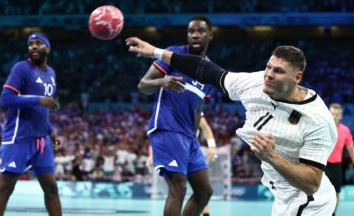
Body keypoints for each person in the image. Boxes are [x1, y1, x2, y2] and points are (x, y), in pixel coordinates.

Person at [127, 37, 338, 216]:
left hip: (310, 202)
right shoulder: (254, 84)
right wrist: (155, 52)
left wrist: (272, 156)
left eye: (279, 71)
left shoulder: (318, 120)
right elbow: (206, 70)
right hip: (282, 196)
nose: (269, 74)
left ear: (297, 77)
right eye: (268, 67)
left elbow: (312, 182)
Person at [138, 16, 214, 216]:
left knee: (204, 192)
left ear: (210, 35)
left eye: (200, 31)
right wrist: (162, 81)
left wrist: (195, 136)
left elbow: (199, 109)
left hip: (189, 138)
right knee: (178, 188)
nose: (195, 35)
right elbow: (143, 85)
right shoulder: (173, 54)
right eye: (191, 31)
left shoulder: (208, 69)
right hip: (167, 128)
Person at [0, 33, 63, 216]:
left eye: (39, 43)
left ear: (48, 48)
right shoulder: (21, 68)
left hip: (41, 140)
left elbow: (41, 111)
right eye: (31, 44)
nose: (34, 47)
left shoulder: (51, 73)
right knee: (5, 188)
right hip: (18, 138)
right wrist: (38, 99)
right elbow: (5, 100)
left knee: (52, 189)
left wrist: (51, 131)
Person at [326, 103, 354, 216]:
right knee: (317, 192)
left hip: (336, 166)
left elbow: (351, 148)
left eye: (337, 114)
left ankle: (333, 213)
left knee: (336, 192)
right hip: (321, 164)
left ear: (341, 116)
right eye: (332, 114)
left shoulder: (345, 130)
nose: (334, 116)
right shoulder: (322, 126)